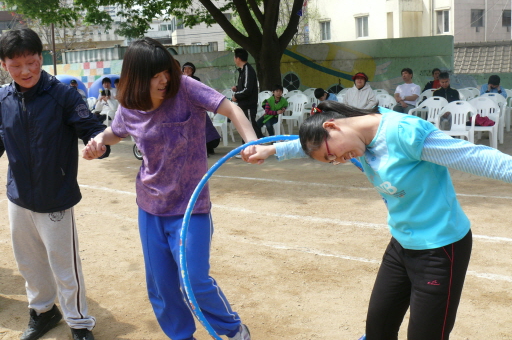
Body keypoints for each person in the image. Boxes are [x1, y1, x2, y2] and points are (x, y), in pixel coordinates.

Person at [241, 100, 512, 340]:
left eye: (333, 155)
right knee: (378, 329)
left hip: (441, 249)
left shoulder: (404, 133)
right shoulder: (355, 134)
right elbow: (314, 146)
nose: (339, 160)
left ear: (333, 126)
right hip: (402, 245)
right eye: (331, 161)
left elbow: (475, 157)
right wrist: (273, 150)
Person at [82, 37, 255, 340]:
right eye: (155, 76)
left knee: (194, 282)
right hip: (150, 208)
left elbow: (232, 109)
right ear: (137, 78)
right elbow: (115, 132)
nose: (164, 81)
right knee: (161, 284)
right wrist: (98, 141)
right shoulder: (130, 104)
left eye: (166, 72)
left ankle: (234, 330)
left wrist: (252, 143)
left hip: (191, 208)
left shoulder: (186, 88)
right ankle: (181, 336)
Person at [0, 28, 109, 340]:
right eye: (16, 65)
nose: (26, 71)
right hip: (18, 197)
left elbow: (92, 128)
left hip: (55, 197)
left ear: (41, 58)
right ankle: (43, 312)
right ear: (3, 64)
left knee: (64, 266)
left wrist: (97, 144)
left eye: (32, 62)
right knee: (29, 263)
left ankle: (79, 323)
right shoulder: (3, 99)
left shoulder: (62, 95)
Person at [181, 61, 221, 155]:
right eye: (185, 69)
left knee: (206, 125)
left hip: (197, 107)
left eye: (189, 69)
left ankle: (210, 146)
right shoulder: (180, 80)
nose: (187, 71)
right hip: (186, 109)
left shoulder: (196, 80)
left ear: (193, 71)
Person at [231, 48, 259, 143]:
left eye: (234, 57)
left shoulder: (247, 70)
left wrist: (236, 96)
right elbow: (245, 86)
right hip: (244, 105)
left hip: (249, 105)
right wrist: (237, 88)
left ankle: (255, 147)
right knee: (245, 127)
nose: (234, 59)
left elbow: (247, 90)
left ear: (238, 58)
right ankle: (246, 149)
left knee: (250, 127)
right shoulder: (243, 71)